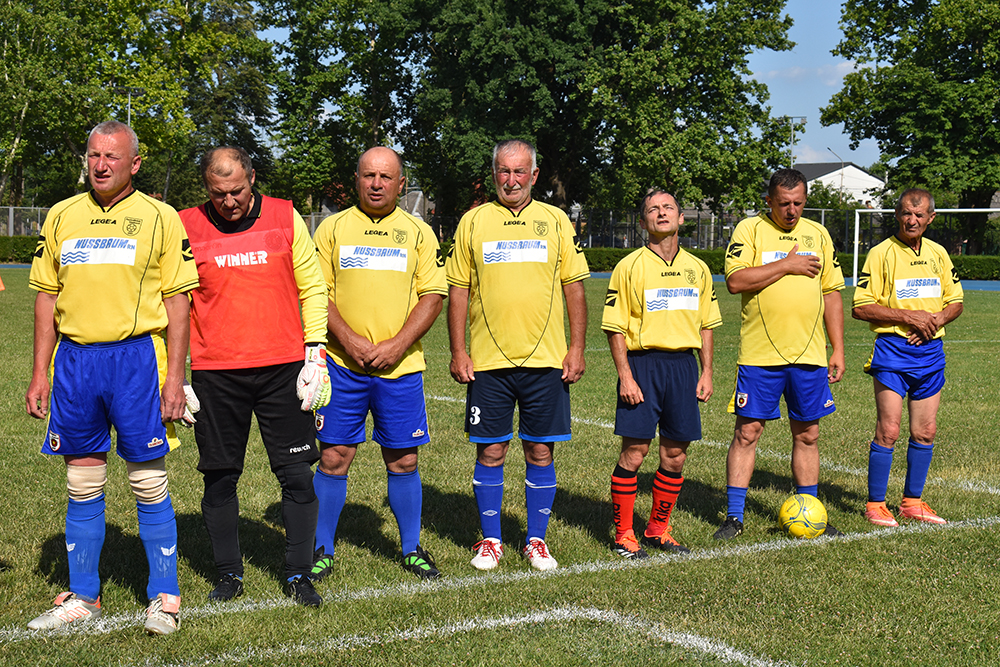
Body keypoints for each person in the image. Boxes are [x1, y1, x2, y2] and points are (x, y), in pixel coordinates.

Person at [25, 121, 199, 634]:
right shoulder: (62, 215)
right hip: (75, 362)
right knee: (82, 480)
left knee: (148, 479)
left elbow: (179, 302)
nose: (100, 165)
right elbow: (46, 297)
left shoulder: (161, 217)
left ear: (134, 164)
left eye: (112, 157)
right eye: (94, 155)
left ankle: (164, 597)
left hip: (138, 361)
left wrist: (176, 378)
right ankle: (83, 597)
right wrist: (39, 374)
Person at [178, 146, 331, 607]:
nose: (229, 201)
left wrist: (315, 351)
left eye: (237, 191)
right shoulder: (185, 225)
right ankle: (229, 574)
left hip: (282, 368)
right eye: (218, 193)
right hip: (215, 373)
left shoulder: (285, 217)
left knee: (297, 476)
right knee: (219, 477)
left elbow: (312, 286)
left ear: (252, 178)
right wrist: (176, 373)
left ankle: (298, 573)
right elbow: (173, 302)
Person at [447, 139, 589, 571]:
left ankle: (535, 540)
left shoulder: (556, 220)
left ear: (534, 175)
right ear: (494, 174)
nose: (511, 180)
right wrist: (458, 350)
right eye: (504, 171)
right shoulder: (473, 221)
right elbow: (458, 289)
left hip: (546, 362)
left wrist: (576, 347)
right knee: (491, 451)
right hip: (487, 363)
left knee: (540, 451)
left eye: (520, 171)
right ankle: (491, 540)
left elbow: (574, 287)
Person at [310, 146, 447, 580]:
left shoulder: (419, 232)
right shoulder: (331, 229)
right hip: (341, 366)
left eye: (386, 177)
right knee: (334, 457)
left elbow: (433, 295)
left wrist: (396, 345)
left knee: (404, 460)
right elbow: (316, 293)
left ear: (401, 185)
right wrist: (349, 341)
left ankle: (410, 549)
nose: (376, 184)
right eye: (368, 175)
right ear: (356, 179)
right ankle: (321, 548)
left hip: (399, 368)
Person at [715, 168, 846, 540]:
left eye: (798, 203)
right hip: (760, 355)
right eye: (784, 203)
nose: (792, 211)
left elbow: (832, 294)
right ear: (769, 200)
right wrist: (787, 264)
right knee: (748, 433)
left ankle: (809, 510)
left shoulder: (817, 234)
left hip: (809, 355)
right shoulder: (750, 230)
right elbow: (735, 281)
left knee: (808, 434)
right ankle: (734, 517)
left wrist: (837, 348)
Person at [602, 190, 721, 559]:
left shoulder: (698, 268)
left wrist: (707, 372)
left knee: (675, 456)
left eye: (668, 207)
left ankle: (657, 528)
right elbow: (614, 327)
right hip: (643, 366)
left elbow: (706, 325)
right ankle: (624, 534)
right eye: (653, 209)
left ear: (681, 218)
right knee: (635, 452)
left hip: (684, 367)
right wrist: (626, 376)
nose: (661, 213)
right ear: (643, 222)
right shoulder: (629, 267)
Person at [852, 188, 963, 526]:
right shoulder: (880, 253)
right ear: (897, 215)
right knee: (888, 430)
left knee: (925, 431)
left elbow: (955, 302)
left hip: (930, 352)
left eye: (919, 214)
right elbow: (861, 307)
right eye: (905, 213)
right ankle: (875, 504)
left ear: (931, 218)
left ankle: (912, 502)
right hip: (893, 351)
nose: (911, 220)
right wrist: (908, 317)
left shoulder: (939, 253)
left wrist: (934, 321)